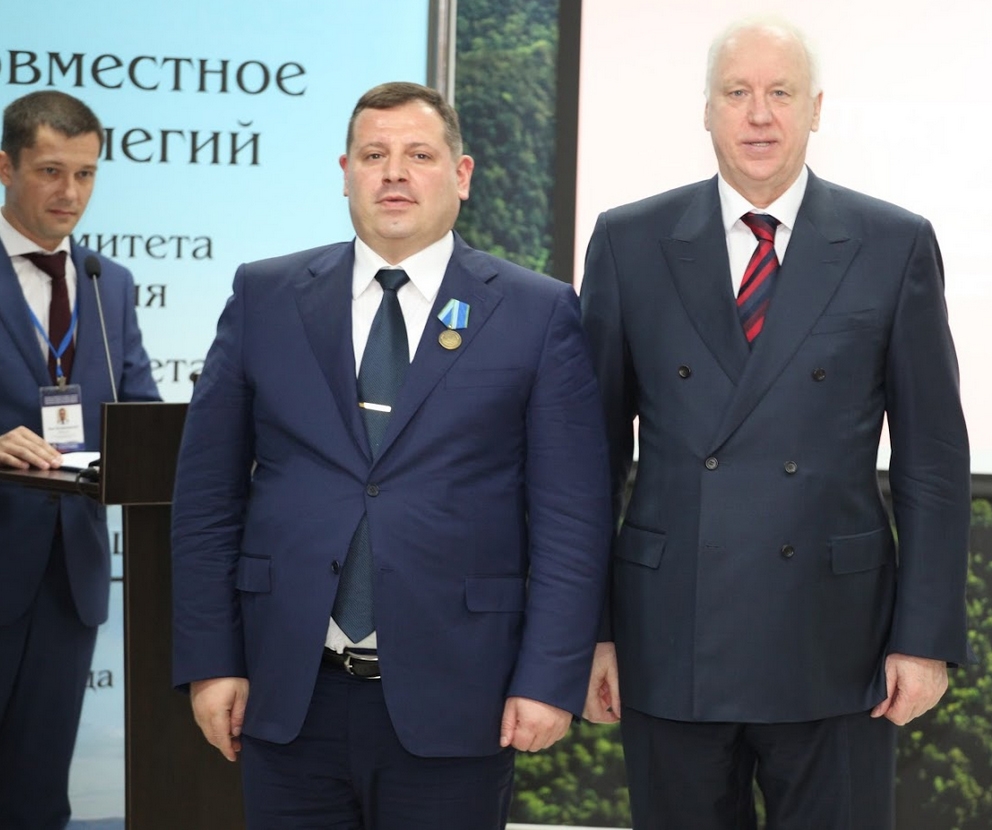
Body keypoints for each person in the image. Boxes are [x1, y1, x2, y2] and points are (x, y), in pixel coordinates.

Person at [169, 82, 612, 828]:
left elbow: (572, 518)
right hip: (286, 693)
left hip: (461, 698)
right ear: (346, 173)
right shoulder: (265, 295)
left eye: (419, 155)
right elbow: (207, 499)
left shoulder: (536, 312)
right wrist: (212, 661)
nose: (394, 173)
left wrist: (548, 677)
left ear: (461, 175)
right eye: (374, 155)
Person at [579, 17, 972, 830]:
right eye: (737, 93)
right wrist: (590, 633)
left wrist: (925, 638)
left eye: (781, 93)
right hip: (670, 639)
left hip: (837, 643)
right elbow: (590, 462)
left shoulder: (893, 244)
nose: (759, 114)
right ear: (707, 109)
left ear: (815, 108)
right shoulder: (629, 241)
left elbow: (932, 461)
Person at [0, 90, 160, 828]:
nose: (70, 193)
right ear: (6, 167)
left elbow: (142, 409)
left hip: (71, 573)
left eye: (86, 174)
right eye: (51, 171)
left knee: (38, 790)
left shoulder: (107, 284)